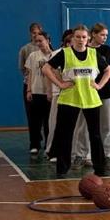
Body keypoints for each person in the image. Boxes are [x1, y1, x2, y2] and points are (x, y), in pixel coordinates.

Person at [42, 25, 110, 178]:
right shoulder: (65, 53)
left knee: (95, 135)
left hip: (91, 99)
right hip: (69, 99)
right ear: (72, 38)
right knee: (65, 135)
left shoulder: (93, 53)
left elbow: (109, 70)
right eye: (78, 37)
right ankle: (62, 169)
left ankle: (99, 168)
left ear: (88, 39)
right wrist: (60, 84)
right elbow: (46, 68)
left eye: (84, 37)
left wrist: (100, 85)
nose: (81, 40)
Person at [89, 23, 110, 171]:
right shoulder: (85, 49)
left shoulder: (107, 50)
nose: (105, 37)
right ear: (93, 34)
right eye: (102, 35)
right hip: (88, 93)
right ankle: (85, 156)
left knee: (107, 125)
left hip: (107, 92)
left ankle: (107, 156)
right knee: (86, 126)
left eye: (106, 35)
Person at [45, 30, 73, 162]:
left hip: (74, 95)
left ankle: (70, 152)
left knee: (70, 126)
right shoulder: (57, 54)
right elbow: (49, 70)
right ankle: (51, 150)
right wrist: (59, 85)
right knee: (55, 123)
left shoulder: (81, 54)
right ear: (67, 43)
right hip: (59, 93)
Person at [24, 31, 53, 154]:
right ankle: (34, 145)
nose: (38, 43)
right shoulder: (33, 56)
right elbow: (30, 74)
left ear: (48, 41)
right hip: (36, 92)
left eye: (41, 41)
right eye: (36, 41)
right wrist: (29, 90)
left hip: (50, 94)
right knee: (35, 121)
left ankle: (48, 145)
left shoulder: (55, 55)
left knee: (49, 122)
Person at [18, 22, 42, 126]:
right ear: (30, 34)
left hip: (43, 86)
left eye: (38, 33)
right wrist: (30, 78)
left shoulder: (45, 47)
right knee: (31, 114)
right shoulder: (25, 49)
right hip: (29, 86)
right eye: (34, 33)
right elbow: (22, 67)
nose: (36, 35)